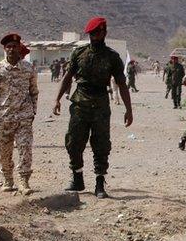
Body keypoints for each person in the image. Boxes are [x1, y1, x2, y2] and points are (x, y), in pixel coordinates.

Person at [53, 16, 133, 198]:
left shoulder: (112, 57)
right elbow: (67, 77)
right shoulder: (78, 53)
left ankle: (99, 183)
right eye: (91, 34)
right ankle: (77, 178)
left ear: (104, 33)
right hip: (80, 102)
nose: (94, 37)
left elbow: (121, 84)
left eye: (98, 33)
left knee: (101, 144)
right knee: (73, 142)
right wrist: (57, 98)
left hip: (101, 104)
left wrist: (129, 109)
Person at [0, 33, 39, 195]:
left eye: (14, 46)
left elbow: (34, 91)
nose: (11, 49)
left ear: (19, 48)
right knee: (4, 150)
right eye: (8, 47)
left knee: (25, 149)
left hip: (24, 117)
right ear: (4, 49)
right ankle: (8, 179)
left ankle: (24, 181)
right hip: (5, 117)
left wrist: (33, 111)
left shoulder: (28, 69)